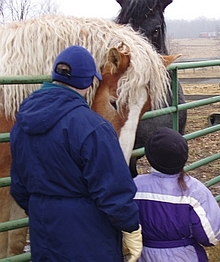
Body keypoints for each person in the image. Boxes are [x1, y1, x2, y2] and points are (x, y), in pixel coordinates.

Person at [10, 45, 141, 262]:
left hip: (43, 230)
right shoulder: (93, 127)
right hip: (89, 236)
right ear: (89, 82)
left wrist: (46, 207)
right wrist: (130, 227)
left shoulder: (22, 122)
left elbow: (19, 186)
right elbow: (112, 188)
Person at [133, 127, 220, 262]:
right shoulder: (194, 190)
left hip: (144, 254)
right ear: (184, 156)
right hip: (185, 255)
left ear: (149, 156)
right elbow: (209, 235)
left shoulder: (135, 186)